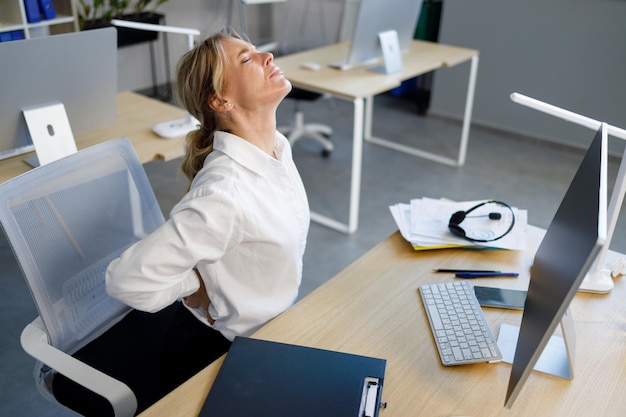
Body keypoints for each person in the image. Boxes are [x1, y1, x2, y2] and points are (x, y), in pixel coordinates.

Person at [55, 27, 309, 416]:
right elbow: (126, 281)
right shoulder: (225, 194)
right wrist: (195, 283)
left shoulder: (277, 150)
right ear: (220, 100)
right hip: (235, 351)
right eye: (247, 59)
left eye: (257, 51)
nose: (267, 57)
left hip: (277, 329)